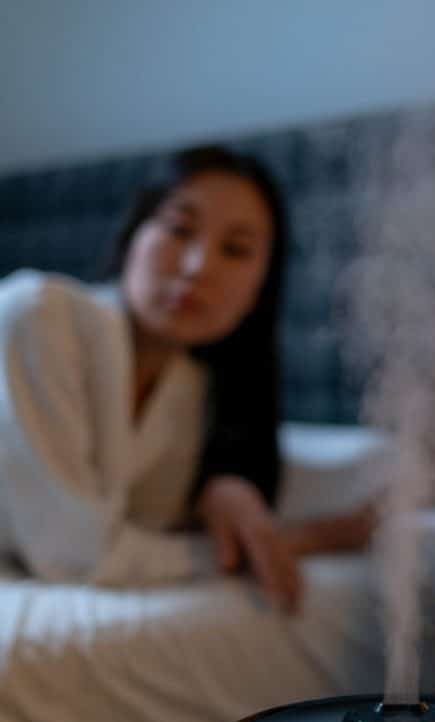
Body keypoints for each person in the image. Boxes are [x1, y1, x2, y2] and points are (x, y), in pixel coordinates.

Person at [0, 145, 374, 611]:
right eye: (179, 229)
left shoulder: (195, 399)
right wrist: (300, 540)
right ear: (134, 234)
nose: (197, 267)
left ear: (259, 290)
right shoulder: (38, 317)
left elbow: (140, 536)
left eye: (235, 250)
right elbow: (77, 558)